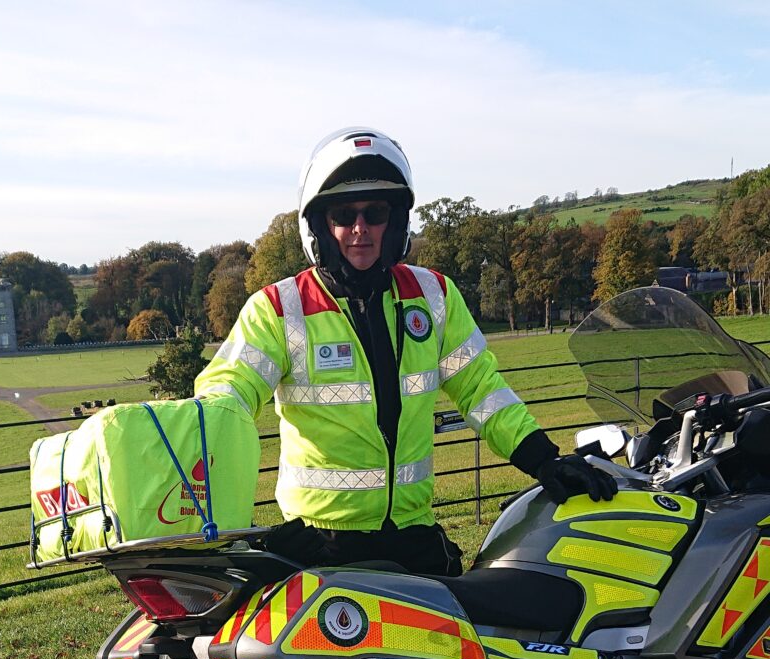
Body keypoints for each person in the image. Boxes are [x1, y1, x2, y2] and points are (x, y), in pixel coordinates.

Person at [195, 127, 615, 574]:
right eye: (342, 214)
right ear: (319, 225)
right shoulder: (279, 309)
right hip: (318, 543)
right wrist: (191, 441)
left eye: (375, 212)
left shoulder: (433, 296)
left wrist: (545, 459)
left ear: (396, 222)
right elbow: (228, 393)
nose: (360, 229)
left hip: (413, 536)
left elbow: (482, 390)